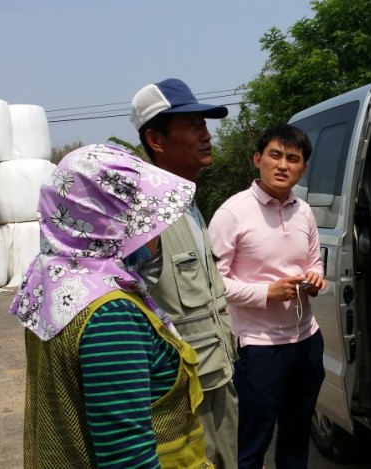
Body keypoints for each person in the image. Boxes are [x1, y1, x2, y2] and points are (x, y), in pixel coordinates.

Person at [9, 144, 211, 468]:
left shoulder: (55, 281)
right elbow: (129, 459)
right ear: (111, 225)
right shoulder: (112, 315)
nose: (155, 229)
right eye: (143, 218)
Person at [129, 78, 239, 469]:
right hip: (183, 395)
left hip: (219, 376)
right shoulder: (145, 215)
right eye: (192, 125)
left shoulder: (188, 203)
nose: (205, 135)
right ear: (156, 140)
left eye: (204, 124)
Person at [208, 125, 326, 469]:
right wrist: (266, 292)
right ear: (257, 159)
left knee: (297, 436)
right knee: (250, 444)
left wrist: (315, 277)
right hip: (258, 348)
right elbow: (211, 284)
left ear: (303, 168)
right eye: (275, 155)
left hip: (307, 340)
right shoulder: (232, 213)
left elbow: (314, 261)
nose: (283, 165)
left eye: (293, 159)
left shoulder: (304, 211)